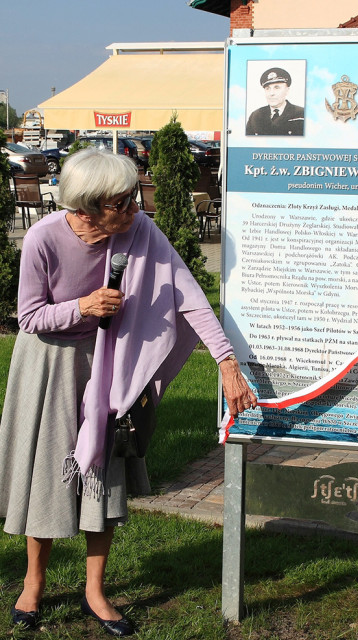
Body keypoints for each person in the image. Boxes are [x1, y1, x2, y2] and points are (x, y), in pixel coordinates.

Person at [0, 148, 257, 636]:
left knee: (106, 475)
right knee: (47, 478)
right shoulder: (42, 239)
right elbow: (29, 317)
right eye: (123, 202)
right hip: (52, 365)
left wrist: (226, 360)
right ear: (88, 208)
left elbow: (191, 298)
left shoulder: (140, 231)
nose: (137, 208)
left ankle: (95, 590)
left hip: (113, 364)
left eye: (135, 196)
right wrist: (84, 306)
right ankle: (33, 583)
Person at [246, 67, 305, 136]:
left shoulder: (301, 114)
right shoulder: (255, 116)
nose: (271, 93)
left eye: (277, 88)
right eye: (267, 88)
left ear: (287, 90)